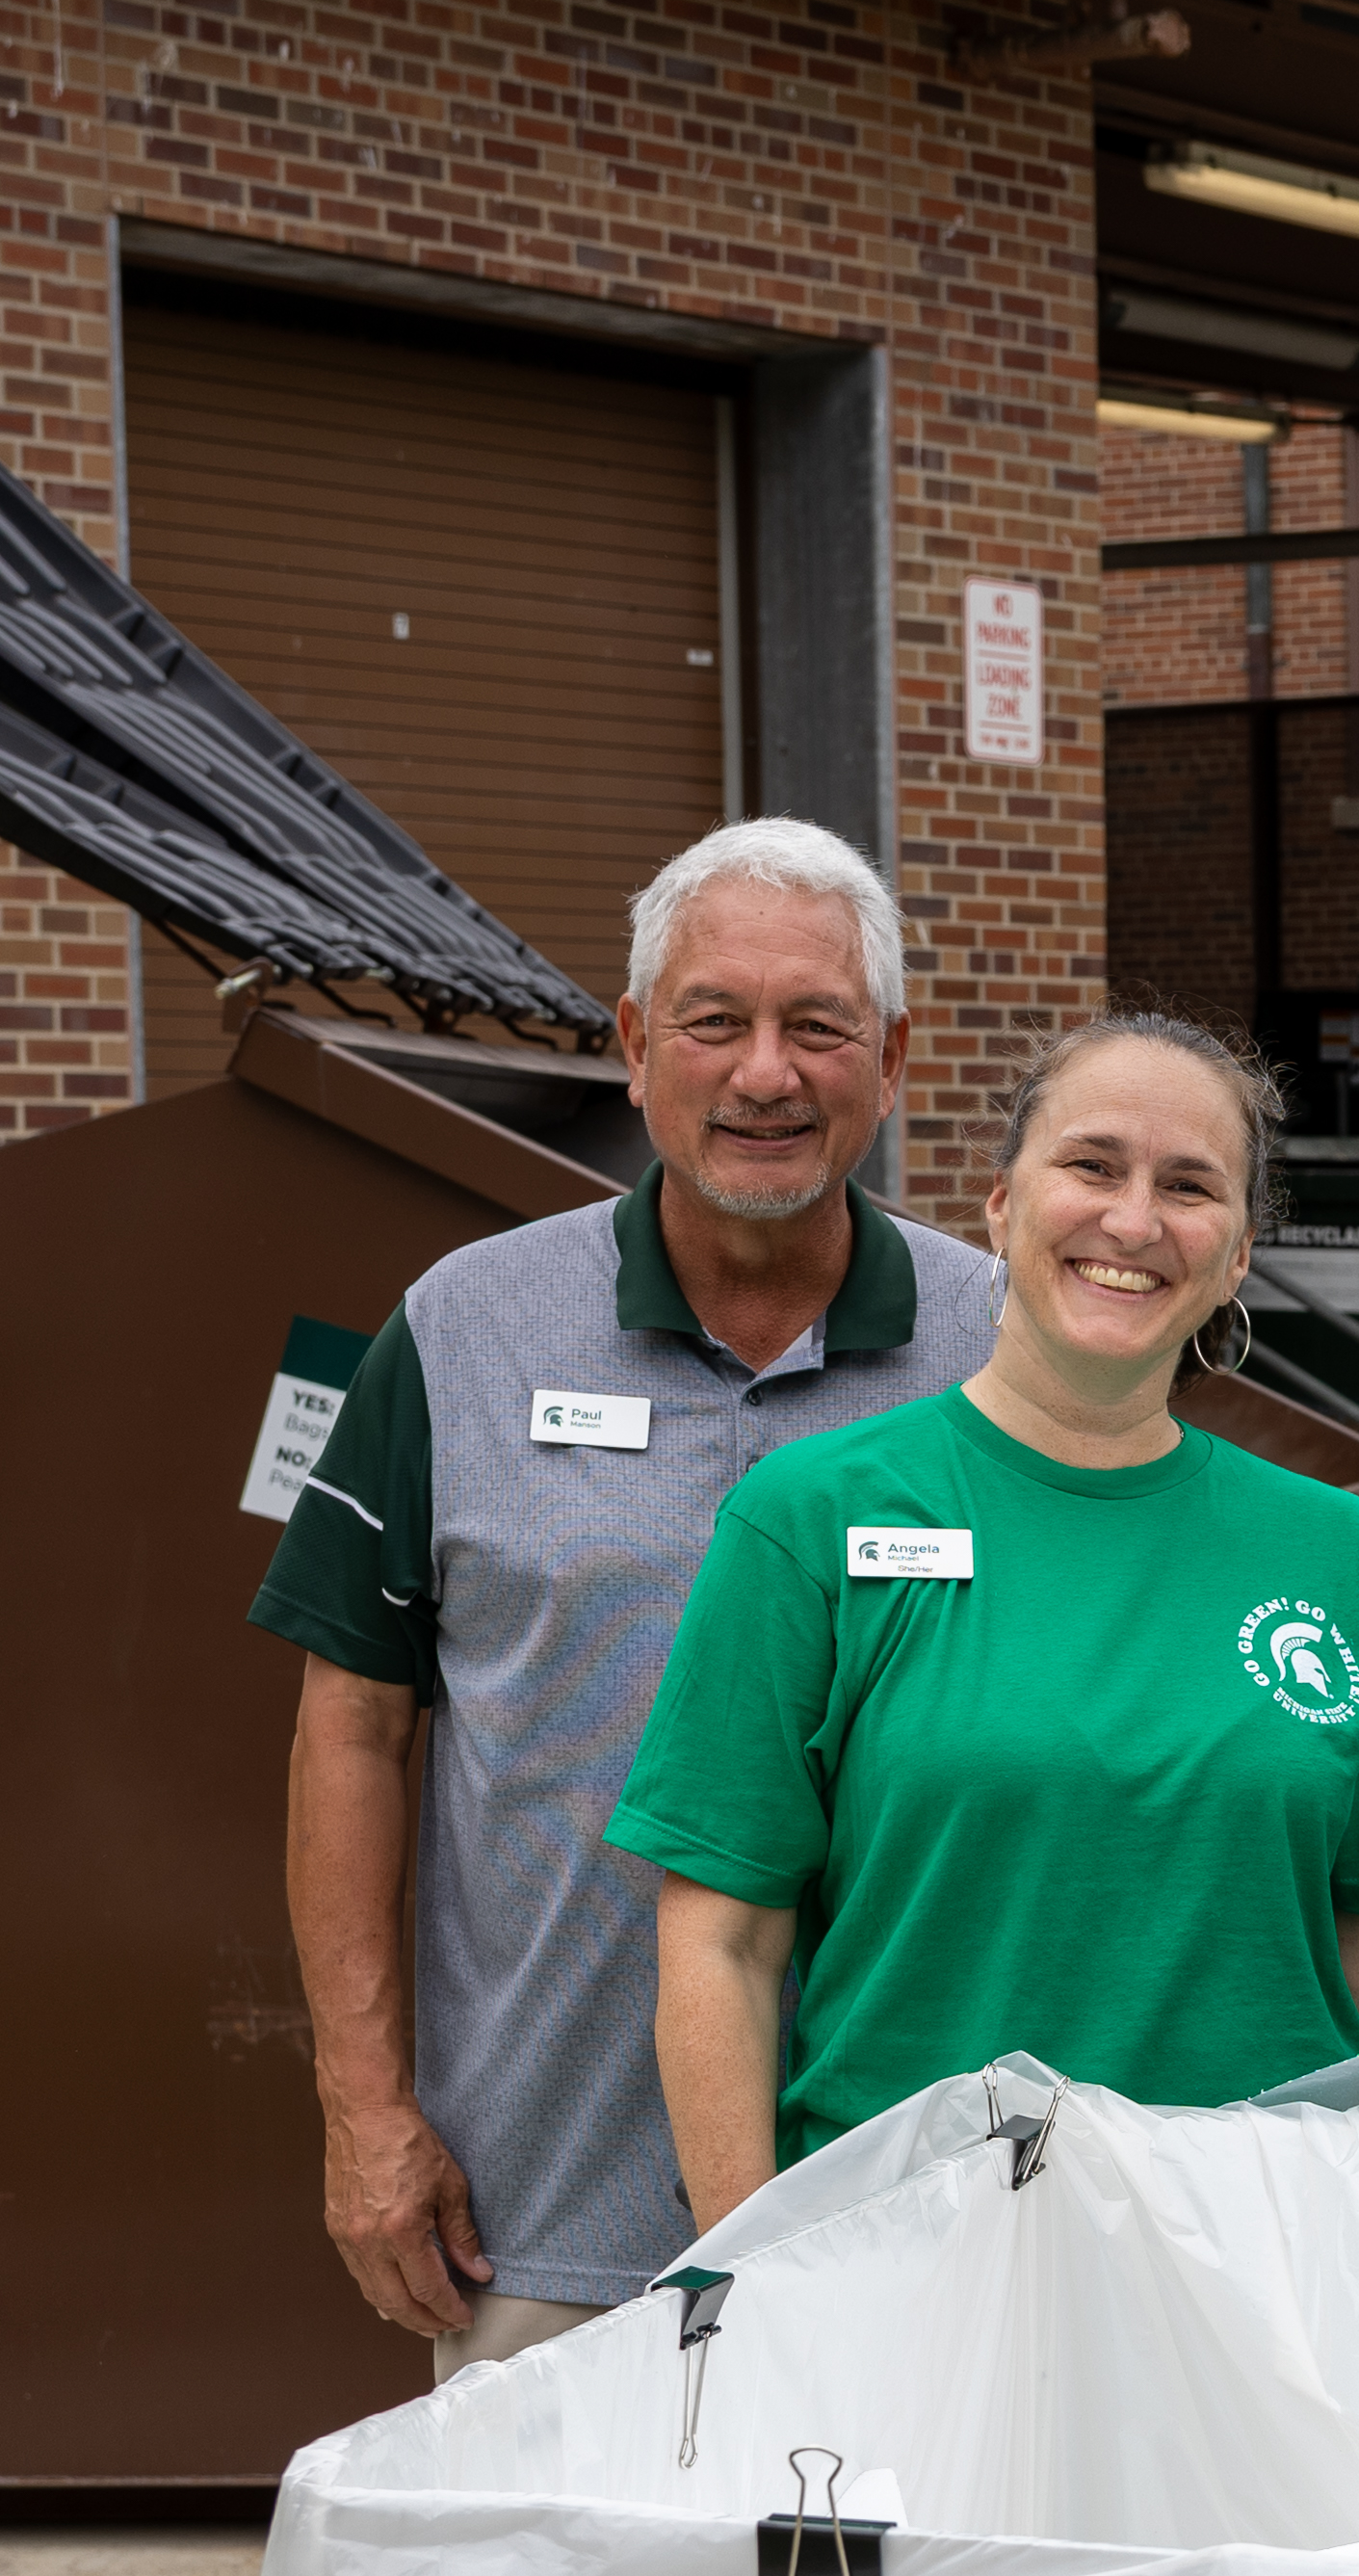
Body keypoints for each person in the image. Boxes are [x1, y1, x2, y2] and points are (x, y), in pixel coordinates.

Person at [252, 817, 1000, 2379]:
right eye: (717, 1022)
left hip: (936, 2200)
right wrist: (365, 2110)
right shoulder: (462, 1332)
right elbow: (351, 1730)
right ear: (637, 1043)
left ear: (895, 1054)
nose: (766, 1074)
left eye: (818, 1026)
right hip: (535, 2219)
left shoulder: (1005, 1352)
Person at [609, 1013, 1359, 2220]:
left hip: (1269, 2258)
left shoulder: (1342, 1554)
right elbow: (723, 1944)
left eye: (1189, 1186)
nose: (1134, 1220)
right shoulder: (808, 1519)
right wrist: (751, 2272)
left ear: (1234, 1258)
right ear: (1002, 1206)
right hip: (918, 2251)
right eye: (1093, 1165)